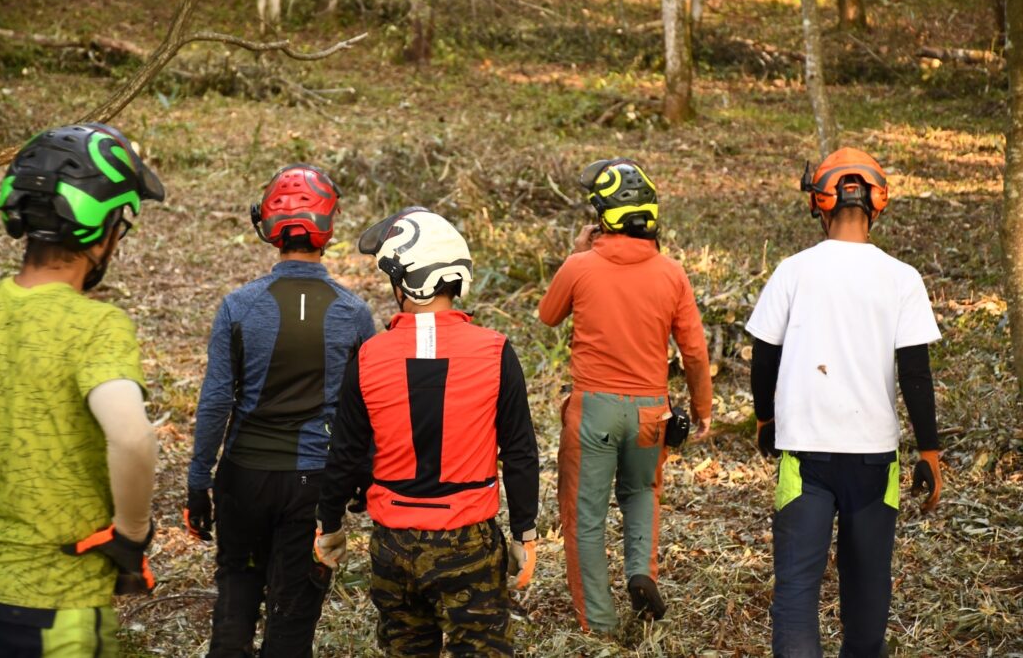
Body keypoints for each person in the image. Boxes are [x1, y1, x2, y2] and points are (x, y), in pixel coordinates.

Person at [314, 207, 540, 658]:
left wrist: (330, 523)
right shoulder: (495, 351)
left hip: (393, 541)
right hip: (469, 539)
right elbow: (519, 451)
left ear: (402, 283)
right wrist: (524, 533)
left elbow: (345, 450)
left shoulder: (370, 355)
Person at [747, 147, 943, 657]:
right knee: (869, 589)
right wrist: (930, 453)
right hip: (875, 460)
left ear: (820, 202)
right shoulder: (902, 277)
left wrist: (766, 419)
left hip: (805, 456)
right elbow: (915, 372)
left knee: (795, 587)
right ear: (878, 203)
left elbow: (763, 355)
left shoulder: (792, 271)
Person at [184, 164, 375, 658]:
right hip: (313, 483)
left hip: (243, 477)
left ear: (267, 227)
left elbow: (216, 399)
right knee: (292, 626)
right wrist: (364, 478)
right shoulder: (354, 313)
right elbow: (368, 407)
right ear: (327, 229)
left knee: (235, 608)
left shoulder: (239, 305)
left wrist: (198, 480)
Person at [0, 123, 162, 656]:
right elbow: (133, 439)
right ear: (105, 231)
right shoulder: (97, 327)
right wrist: (130, 535)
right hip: (60, 604)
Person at [537, 158, 713, 633]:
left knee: (585, 516)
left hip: (593, 409)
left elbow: (547, 315)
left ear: (602, 218)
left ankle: (599, 623)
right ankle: (640, 571)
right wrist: (702, 410)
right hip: (651, 410)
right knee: (641, 493)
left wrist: (575, 254)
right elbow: (694, 352)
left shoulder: (580, 266)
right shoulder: (672, 273)